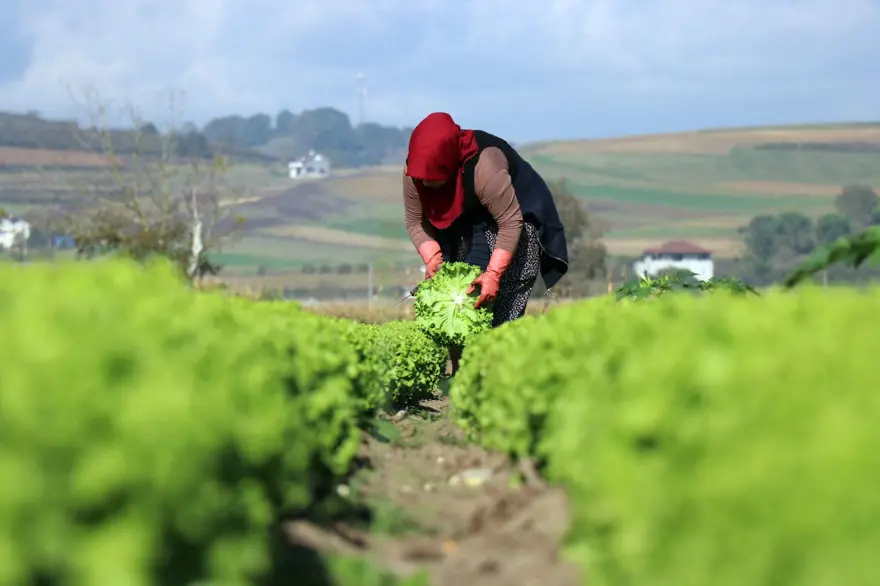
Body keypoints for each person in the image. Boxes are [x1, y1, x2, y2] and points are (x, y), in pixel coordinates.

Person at [403, 112, 569, 372]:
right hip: (462, 220)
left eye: (435, 178)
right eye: (423, 178)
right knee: (455, 293)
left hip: (515, 217)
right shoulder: (415, 172)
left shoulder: (485, 166)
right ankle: (462, 371)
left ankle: (501, 371)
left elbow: (510, 222)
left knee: (502, 295)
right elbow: (415, 221)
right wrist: (432, 257)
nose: (426, 183)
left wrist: (493, 274)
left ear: (450, 165)